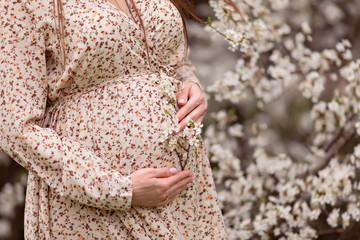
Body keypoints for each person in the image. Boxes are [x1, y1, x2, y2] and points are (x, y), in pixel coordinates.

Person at [0, 0, 227, 238]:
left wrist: (190, 85)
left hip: (185, 194)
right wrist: (114, 189)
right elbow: (15, 127)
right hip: (96, 203)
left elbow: (170, 59)